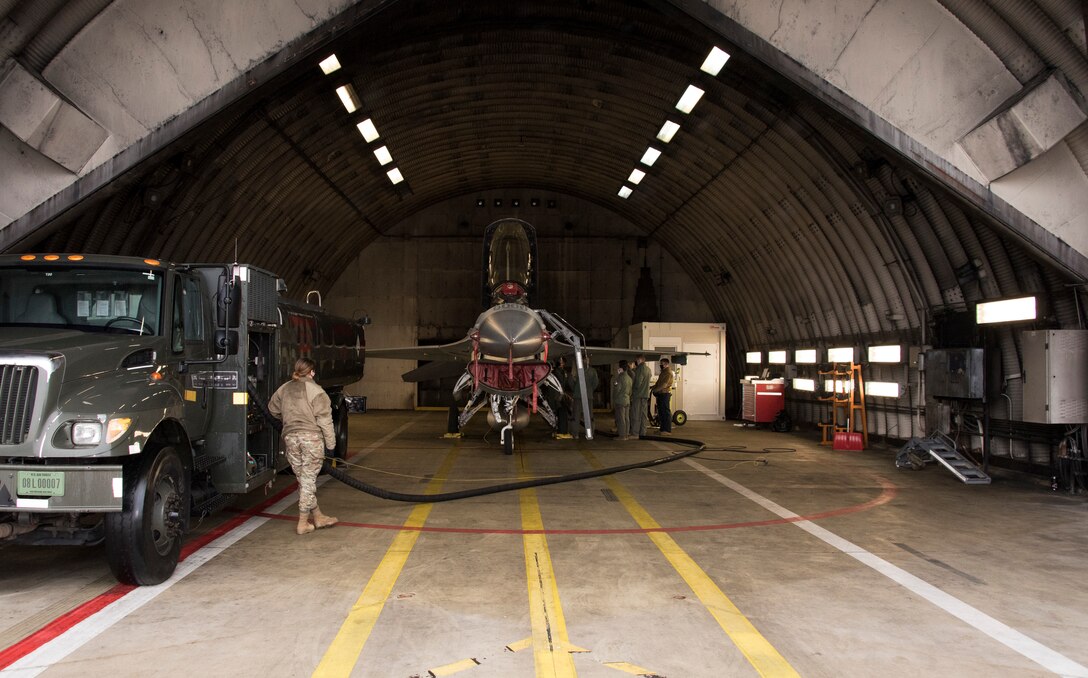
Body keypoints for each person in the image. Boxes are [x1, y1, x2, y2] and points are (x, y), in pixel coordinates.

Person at [268, 357, 339, 535]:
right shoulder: (317, 391)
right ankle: (302, 523)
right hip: (311, 439)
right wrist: (331, 446)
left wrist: (289, 419)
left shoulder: (284, 388)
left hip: (291, 438)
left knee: (303, 479)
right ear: (312, 372)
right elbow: (325, 420)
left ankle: (318, 516)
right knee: (308, 480)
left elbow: (272, 409)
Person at [568, 355, 598, 438]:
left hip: (578, 396)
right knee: (589, 416)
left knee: (576, 416)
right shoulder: (593, 371)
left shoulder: (577, 370)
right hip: (588, 396)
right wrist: (589, 390)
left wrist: (575, 389)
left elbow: (570, 381)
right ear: (588, 361)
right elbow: (595, 383)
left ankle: (575, 434)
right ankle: (589, 434)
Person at [629, 354, 652, 439]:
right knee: (643, 415)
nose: (636, 362)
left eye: (637, 360)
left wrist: (632, 389)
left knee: (636, 414)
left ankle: (635, 433)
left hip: (638, 395)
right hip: (645, 395)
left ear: (639, 360)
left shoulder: (639, 370)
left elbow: (638, 383)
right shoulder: (648, 370)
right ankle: (643, 432)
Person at [652, 358, 674, 435]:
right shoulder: (663, 372)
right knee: (661, 413)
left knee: (665, 412)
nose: (660, 365)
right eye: (660, 363)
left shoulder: (668, 373)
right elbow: (658, 383)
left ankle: (667, 430)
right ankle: (662, 429)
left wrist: (656, 390)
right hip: (660, 394)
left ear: (666, 364)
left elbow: (664, 385)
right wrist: (653, 387)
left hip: (665, 394)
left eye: (662, 363)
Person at [611, 360, 632, 440]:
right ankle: (626, 434)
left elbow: (617, 389)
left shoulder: (620, 377)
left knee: (621, 418)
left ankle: (622, 435)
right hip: (627, 399)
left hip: (620, 400)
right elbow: (630, 391)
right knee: (627, 418)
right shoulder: (629, 378)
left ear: (620, 368)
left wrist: (616, 380)